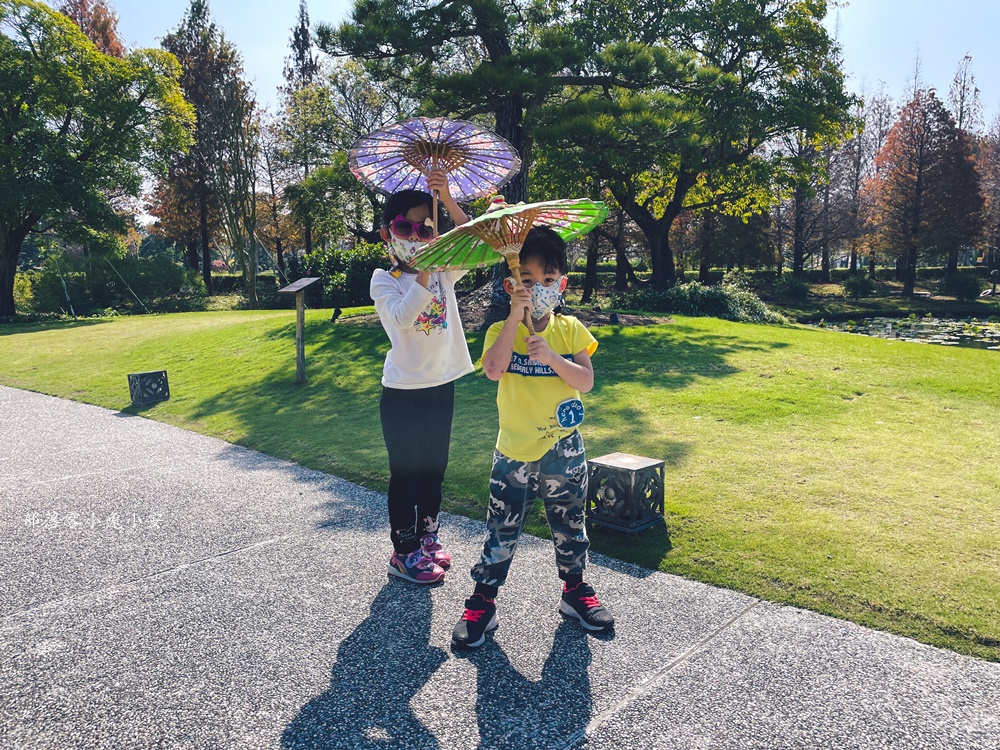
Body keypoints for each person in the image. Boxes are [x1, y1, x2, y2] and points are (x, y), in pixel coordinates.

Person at [452, 226, 614, 649]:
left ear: (561, 284)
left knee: (570, 524)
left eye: (547, 281)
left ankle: (575, 591)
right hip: (514, 452)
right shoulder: (500, 330)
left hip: (564, 448)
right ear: (510, 285)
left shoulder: (571, 329)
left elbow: (586, 380)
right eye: (527, 280)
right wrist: (512, 320)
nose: (538, 289)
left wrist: (553, 357)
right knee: (501, 528)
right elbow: (492, 369)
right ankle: (483, 600)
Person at [371, 171, 472, 585]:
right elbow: (403, 319)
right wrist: (426, 272)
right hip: (402, 393)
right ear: (386, 233)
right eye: (404, 227)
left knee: (434, 469)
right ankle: (404, 550)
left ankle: (428, 537)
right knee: (406, 473)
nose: (414, 234)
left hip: (440, 386)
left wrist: (446, 199)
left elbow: (477, 241)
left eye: (424, 227)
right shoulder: (384, 279)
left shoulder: (445, 268)